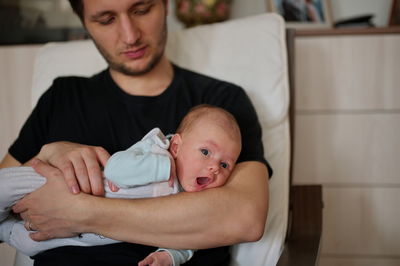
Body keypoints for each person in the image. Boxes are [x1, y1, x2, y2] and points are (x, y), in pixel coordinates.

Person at [0, 0, 272, 265]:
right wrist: (45, 156)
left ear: (165, 5)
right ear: (84, 22)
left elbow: (245, 219)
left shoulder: (221, 107)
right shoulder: (62, 97)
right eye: (106, 19)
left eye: (141, 10)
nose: (130, 36)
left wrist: (81, 213)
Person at [0, 105, 242, 266]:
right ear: (176, 147)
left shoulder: (196, 203)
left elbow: (188, 240)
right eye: (205, 152)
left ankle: (4, 230)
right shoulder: (155, 150)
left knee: (28, 241)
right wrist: (162, 167)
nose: (213, 167)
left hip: (81, 234)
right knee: (9, 185)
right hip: (63, 184)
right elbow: (116, 169)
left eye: (225, 165)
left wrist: (168, 255)